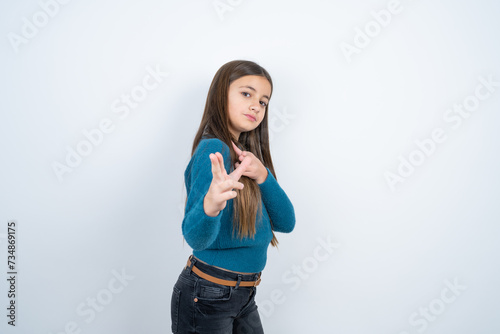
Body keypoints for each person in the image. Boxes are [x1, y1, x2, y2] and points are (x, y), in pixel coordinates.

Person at [170, 60, 296, 334]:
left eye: (264, 101)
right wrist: (210, 206)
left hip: (243, 296)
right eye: (246, 93)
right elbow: (195, 237)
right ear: (220, 95)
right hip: (207, 294)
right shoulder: (213, 150)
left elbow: (286, 222)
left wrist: (263, 175)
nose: (256, 106)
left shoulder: (246, 159)